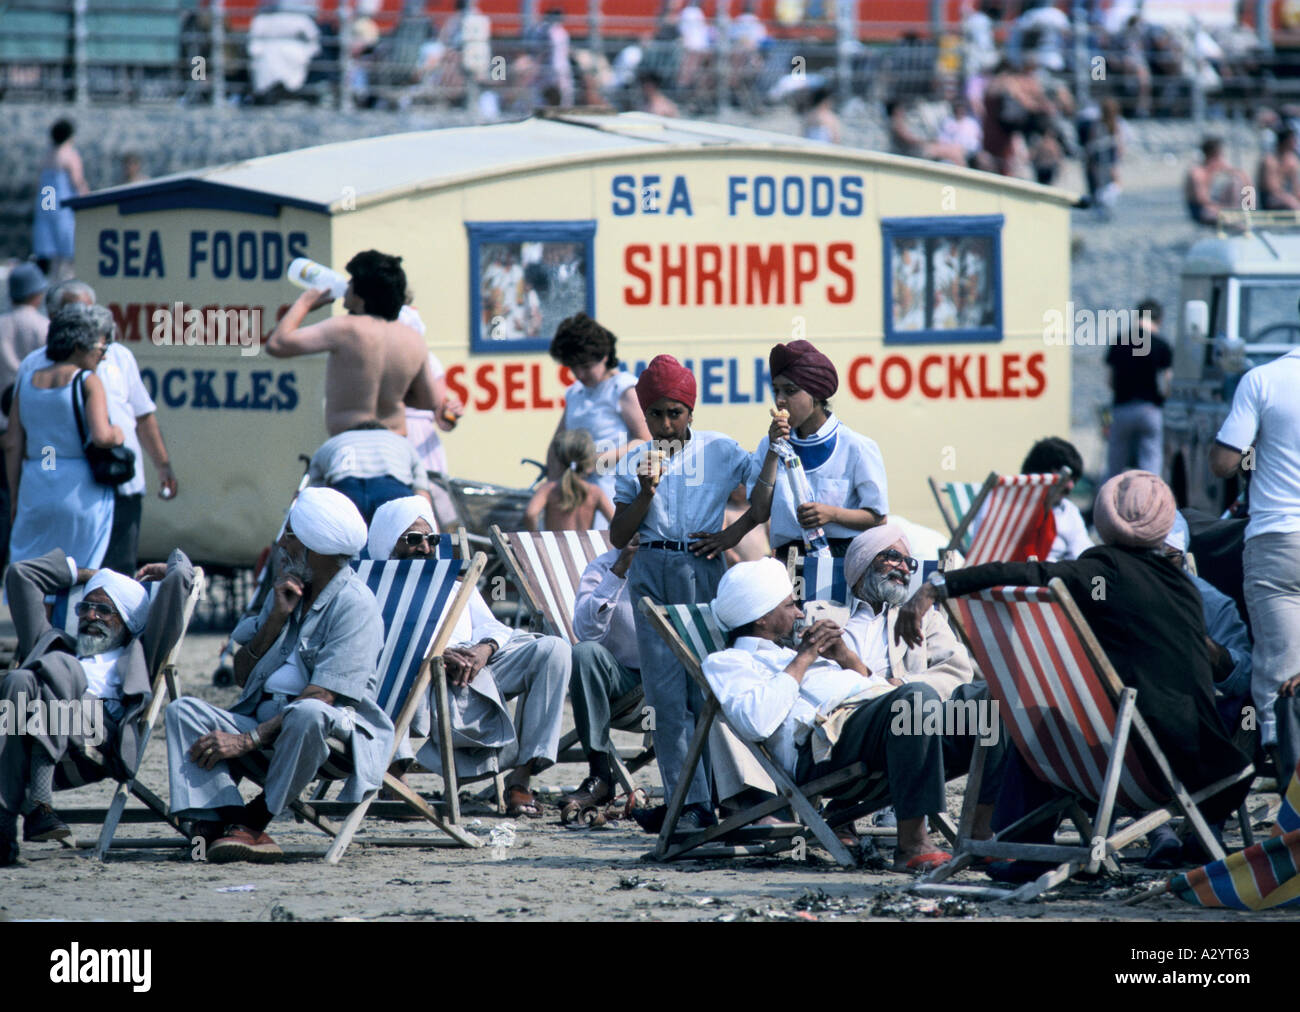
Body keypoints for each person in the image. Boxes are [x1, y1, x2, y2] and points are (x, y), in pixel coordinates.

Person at [896, 472, 1254, 833]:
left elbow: (1027, 571)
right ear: (1163, 530)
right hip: (1180, 769)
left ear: (1104, 518)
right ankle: (1196, 840)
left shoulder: (1098, 572)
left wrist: (940, 585)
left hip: (1084, 762)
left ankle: (1024, 845)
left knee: (1044, 718)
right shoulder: (1185, 592)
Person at [166, 489, 392, 863]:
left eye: (290, 534)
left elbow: (322, 697)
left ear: (314, 546)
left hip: (328, 740)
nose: (282, 542)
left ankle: (256, 819)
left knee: (308, 713)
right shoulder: (285, 590)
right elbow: (241, 675)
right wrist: (275, 620)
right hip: (263, 723)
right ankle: (221, 819)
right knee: (182, 711)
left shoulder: (355, 606)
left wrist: (247, 741)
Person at [704, 558, 963, 871]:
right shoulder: (730, 662)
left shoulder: (795, 653)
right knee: (913, 699)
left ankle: (981, 837)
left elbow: (877, 689)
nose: (799, 612)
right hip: (824, 747)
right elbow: (756, 722)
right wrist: (801, 661)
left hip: (885, 726)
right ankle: (912, 845)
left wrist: (844, 657)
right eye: (789, 606)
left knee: (986, 705)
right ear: (761, 619)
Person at [611, 355, 777, 832]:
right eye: (656, 414)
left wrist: (731, 534)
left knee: (710, 685)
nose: (665, 423)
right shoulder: (631, 462)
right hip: (651, 571)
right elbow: (620, 537)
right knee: (666, 696)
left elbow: (761, 500)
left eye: (675, 413)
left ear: (690, 412)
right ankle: (689, 802)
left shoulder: (720, 451)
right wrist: (644, 493)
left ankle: (732, 793)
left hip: (700, 566)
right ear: (644, 414)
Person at [368, 496, 571, 819]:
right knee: (387, 662)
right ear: (387, 542)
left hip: (475, 669)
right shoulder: (373, 591)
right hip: (419, 678)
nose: (424, 547)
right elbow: (372, 644)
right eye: (413, 539)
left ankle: (520, 779)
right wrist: (436, 655)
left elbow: (491, 624)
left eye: (431, 539)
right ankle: (394, 778)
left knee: (553, 650)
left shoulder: (452, 583)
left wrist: (483, 649)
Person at [0, 547, 194, 865]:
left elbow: (182, 577)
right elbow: (21, 575)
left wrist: (167, 567)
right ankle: (20, 821)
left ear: (128, 621)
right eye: (86, 607)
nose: (91, 616)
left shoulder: (140, 653)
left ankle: (36, 801)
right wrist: (91, 575)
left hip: (96, 729)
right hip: (31, 725)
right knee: (19, 680)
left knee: (61, 667)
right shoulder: (55, 641)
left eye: (104, 611)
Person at [18, 284, 178, 575]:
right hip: (74, 488)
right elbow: (35, 439)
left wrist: (163, 465)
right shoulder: (35, 365)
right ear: (55, 317)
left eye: (91, 311)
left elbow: (143, 415)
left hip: (119, 480)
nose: (89, 321)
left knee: (118, 573)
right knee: (66, 572)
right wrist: (49, 469)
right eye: (77, 313)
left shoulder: (119, 356)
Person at [1211, 338, 1300, 776]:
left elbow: (1223, 463)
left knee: (1280, 666)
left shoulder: (1262, 380)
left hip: (1278, 539)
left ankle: (1287, 780)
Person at [266, 249, 438, 436]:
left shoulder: (346, 329)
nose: (346, 287)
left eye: (351, 283)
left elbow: (277, 345)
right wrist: (390, 395)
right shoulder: (413, 338)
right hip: (396, 444)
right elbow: (430, 401)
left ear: (359, 294)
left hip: (352, 442)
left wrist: (304, 303)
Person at [5, 305, 122, 569]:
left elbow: (13, 443)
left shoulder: (26, 381)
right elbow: (102, 436)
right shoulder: (87, 380)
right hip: (79, 483)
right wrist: (118, 434)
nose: (102, 356)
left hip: (38, 476)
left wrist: (14, 497)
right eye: (101, 348)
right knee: (77, 572)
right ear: (80, 345)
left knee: (33, 573)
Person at [754, 340, 888, 558]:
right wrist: (772, 452)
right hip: (787, 558)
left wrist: (833, 514)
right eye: (776, 391)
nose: (780, 400)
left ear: (816, 395)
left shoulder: (856, 447)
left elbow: (878, 518)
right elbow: (759, 512)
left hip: (841, 557)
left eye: (790, 391)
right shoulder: (769, 446)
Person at [560, 535, 642, 821]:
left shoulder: (682, 562)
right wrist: (618, 572)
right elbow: (586, 632)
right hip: (626, 686)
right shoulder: (603, 567)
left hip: (674, 678)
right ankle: (600, 774)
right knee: (585, 653)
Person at [547, 313, 649, 522]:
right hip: (576, 495)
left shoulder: (623, 388)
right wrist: (553, 486)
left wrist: (597, 462)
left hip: (615, 494)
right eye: (573, 367)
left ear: (604, 356)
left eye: (585, 366)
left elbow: (647, 441)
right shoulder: (575, 392)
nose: (579, 374)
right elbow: (557, 445)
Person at [0, 263, 50, 569]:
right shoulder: (43, 327)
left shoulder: (1, 323)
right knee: (16, 502)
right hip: (26, 430)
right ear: (36, 293)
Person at [306, 419, 431, 523]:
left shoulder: (331, 443)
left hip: (345, 489)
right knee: (396, 541)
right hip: (392, 488)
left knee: (343, 543)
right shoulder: (401, 442)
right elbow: (421, 490)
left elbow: (316, 492)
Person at [1105, 299, 1172, 480]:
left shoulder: (1119, 342)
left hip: (1122, 407)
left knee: (1115, 462)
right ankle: (1150, 500)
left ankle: (1108, 500)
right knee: (1150, 461)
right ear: (1159, 320)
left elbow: (1110, 381)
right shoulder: (1161, 345)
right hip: (1150, 409)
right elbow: (1166, 383)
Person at [32, 120, 89, 282]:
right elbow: (77, 181)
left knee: (49, 249)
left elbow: (38, 184)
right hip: (63, 206)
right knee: (68, 249)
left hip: (45, 205)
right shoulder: (69, 154)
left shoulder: (47, 155)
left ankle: (53, 283)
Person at [526, 429, 613, 532]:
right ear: (588, 460)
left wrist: (536, 537)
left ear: (559, 459)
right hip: (585, 547)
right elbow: (615, 521)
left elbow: (530, 514)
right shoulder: (595, 492)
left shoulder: (548, 489)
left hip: (555, 546)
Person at [1022, 436, 1092, 561]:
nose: (1070, 486)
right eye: (1065, 478)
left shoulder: (1068, 510)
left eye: (1074, 480)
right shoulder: (1010, 509)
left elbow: (1083, 553)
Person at [1185, 137, 1251, 225]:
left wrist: (1233, 172)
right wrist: (1211, 171)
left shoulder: (1216, 167)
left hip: (1215, 206)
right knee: (1228, 215)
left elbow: (1244, 177)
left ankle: (1242, 217)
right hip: (1201, 209)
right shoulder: (1197, 173)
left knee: (1236, 181)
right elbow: (1202, 199)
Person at [1258, 125, 1300, 211]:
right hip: (1270, 199)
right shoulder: (1269, 161)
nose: (1295, 143)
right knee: (1291, 203)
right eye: (1292, 140)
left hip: (1288, 197)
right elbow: (1271, 189)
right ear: (1285, 141)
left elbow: (1296, 188)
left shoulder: (1292, 161)